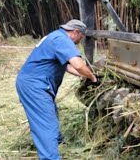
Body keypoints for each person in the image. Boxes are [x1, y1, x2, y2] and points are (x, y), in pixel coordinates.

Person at [16, 19, 97, 160]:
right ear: (76, 32)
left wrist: (86, 76)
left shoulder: (54, 36)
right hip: (35, 85)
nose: (80, 40)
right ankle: (50, 157)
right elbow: (78, 64)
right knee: (47, 123)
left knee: (50, 112)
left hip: (33, 82)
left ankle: (58, 141)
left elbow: (67, 66)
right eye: (81, 37)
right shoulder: (61, 39)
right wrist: (93, 78)